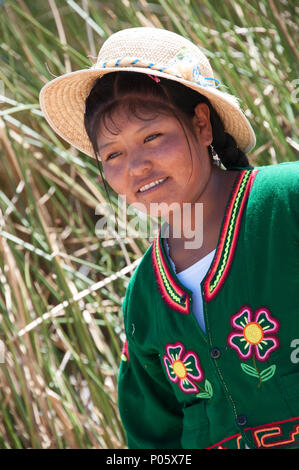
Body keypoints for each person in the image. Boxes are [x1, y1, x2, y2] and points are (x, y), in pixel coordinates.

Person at [39, 27, 299, 450]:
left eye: (152, 137)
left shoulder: (287, 203)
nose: (136, 166)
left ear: (201, 124)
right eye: (113, 155)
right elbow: (153, 438)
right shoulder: (144, 296)